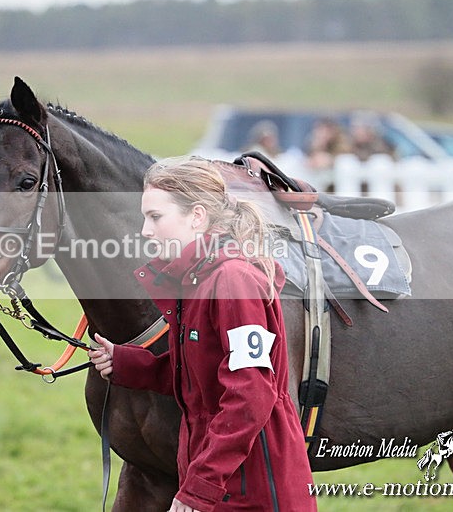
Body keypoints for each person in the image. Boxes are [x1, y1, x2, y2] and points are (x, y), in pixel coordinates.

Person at [89, 158, 317, 512]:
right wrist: (125, 362)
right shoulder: (196, 282)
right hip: (224, 483)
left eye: (156, 217)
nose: (146, 231)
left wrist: (201, 486)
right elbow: (199, 375)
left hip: (254, 489)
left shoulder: (232, 281)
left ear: (197, 216)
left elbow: (251, 393)